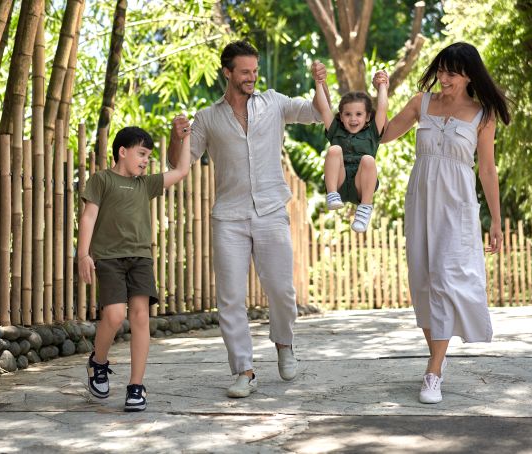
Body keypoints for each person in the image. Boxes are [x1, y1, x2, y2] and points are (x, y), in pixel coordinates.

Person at [168, 40, 328, 398]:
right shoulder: (207, 118)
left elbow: (318, 113)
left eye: (254, 71)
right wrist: (175, 138)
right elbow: (179, 162)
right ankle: (244, 370)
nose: (252, 77)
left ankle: (284, 344)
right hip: (229, 217)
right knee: (230, 299)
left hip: (271, 210)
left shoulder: (274, 102)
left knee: (282, 291)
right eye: (245, 72)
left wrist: (320, 82)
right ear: (227, 72)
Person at [381, 42, 510, 404]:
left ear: (469, 76)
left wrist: (496, 220)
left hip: (457, 206)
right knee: (423, 280)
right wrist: (382, 92)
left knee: (446, 278)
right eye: (440, 70)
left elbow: (487, 169)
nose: (444, 77)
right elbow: (383, 134)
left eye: (452, 72)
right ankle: (437, 356)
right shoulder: (421, 103)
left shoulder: (483, 114)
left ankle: (433, 371)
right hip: (421, 201)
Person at [78, 126, 191, 411]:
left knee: (141, 317)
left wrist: (185, 137)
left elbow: (181, 171)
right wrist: (83, 254)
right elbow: (89, 217)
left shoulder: (146, 184)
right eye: (141, 154)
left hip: (141, 258)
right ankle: (98, 362)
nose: (145, 161)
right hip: (109, 258)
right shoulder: (101, 180)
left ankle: (136, 386)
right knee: (115, 315)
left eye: (148, 156)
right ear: (122, 152)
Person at [316, 69, 389, 232]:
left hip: (361, 186)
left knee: (368, 160)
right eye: (347, 114)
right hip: (339, 182)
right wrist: (319, 82)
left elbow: (382, 108)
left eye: (358, 114)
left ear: (367, 117)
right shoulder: (335, 130)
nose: (353, 119)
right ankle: (332, 194)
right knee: (334, 150)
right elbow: (324, 108)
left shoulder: (372, 133)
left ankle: (365, 209)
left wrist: (382, 86)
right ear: (341, 117)